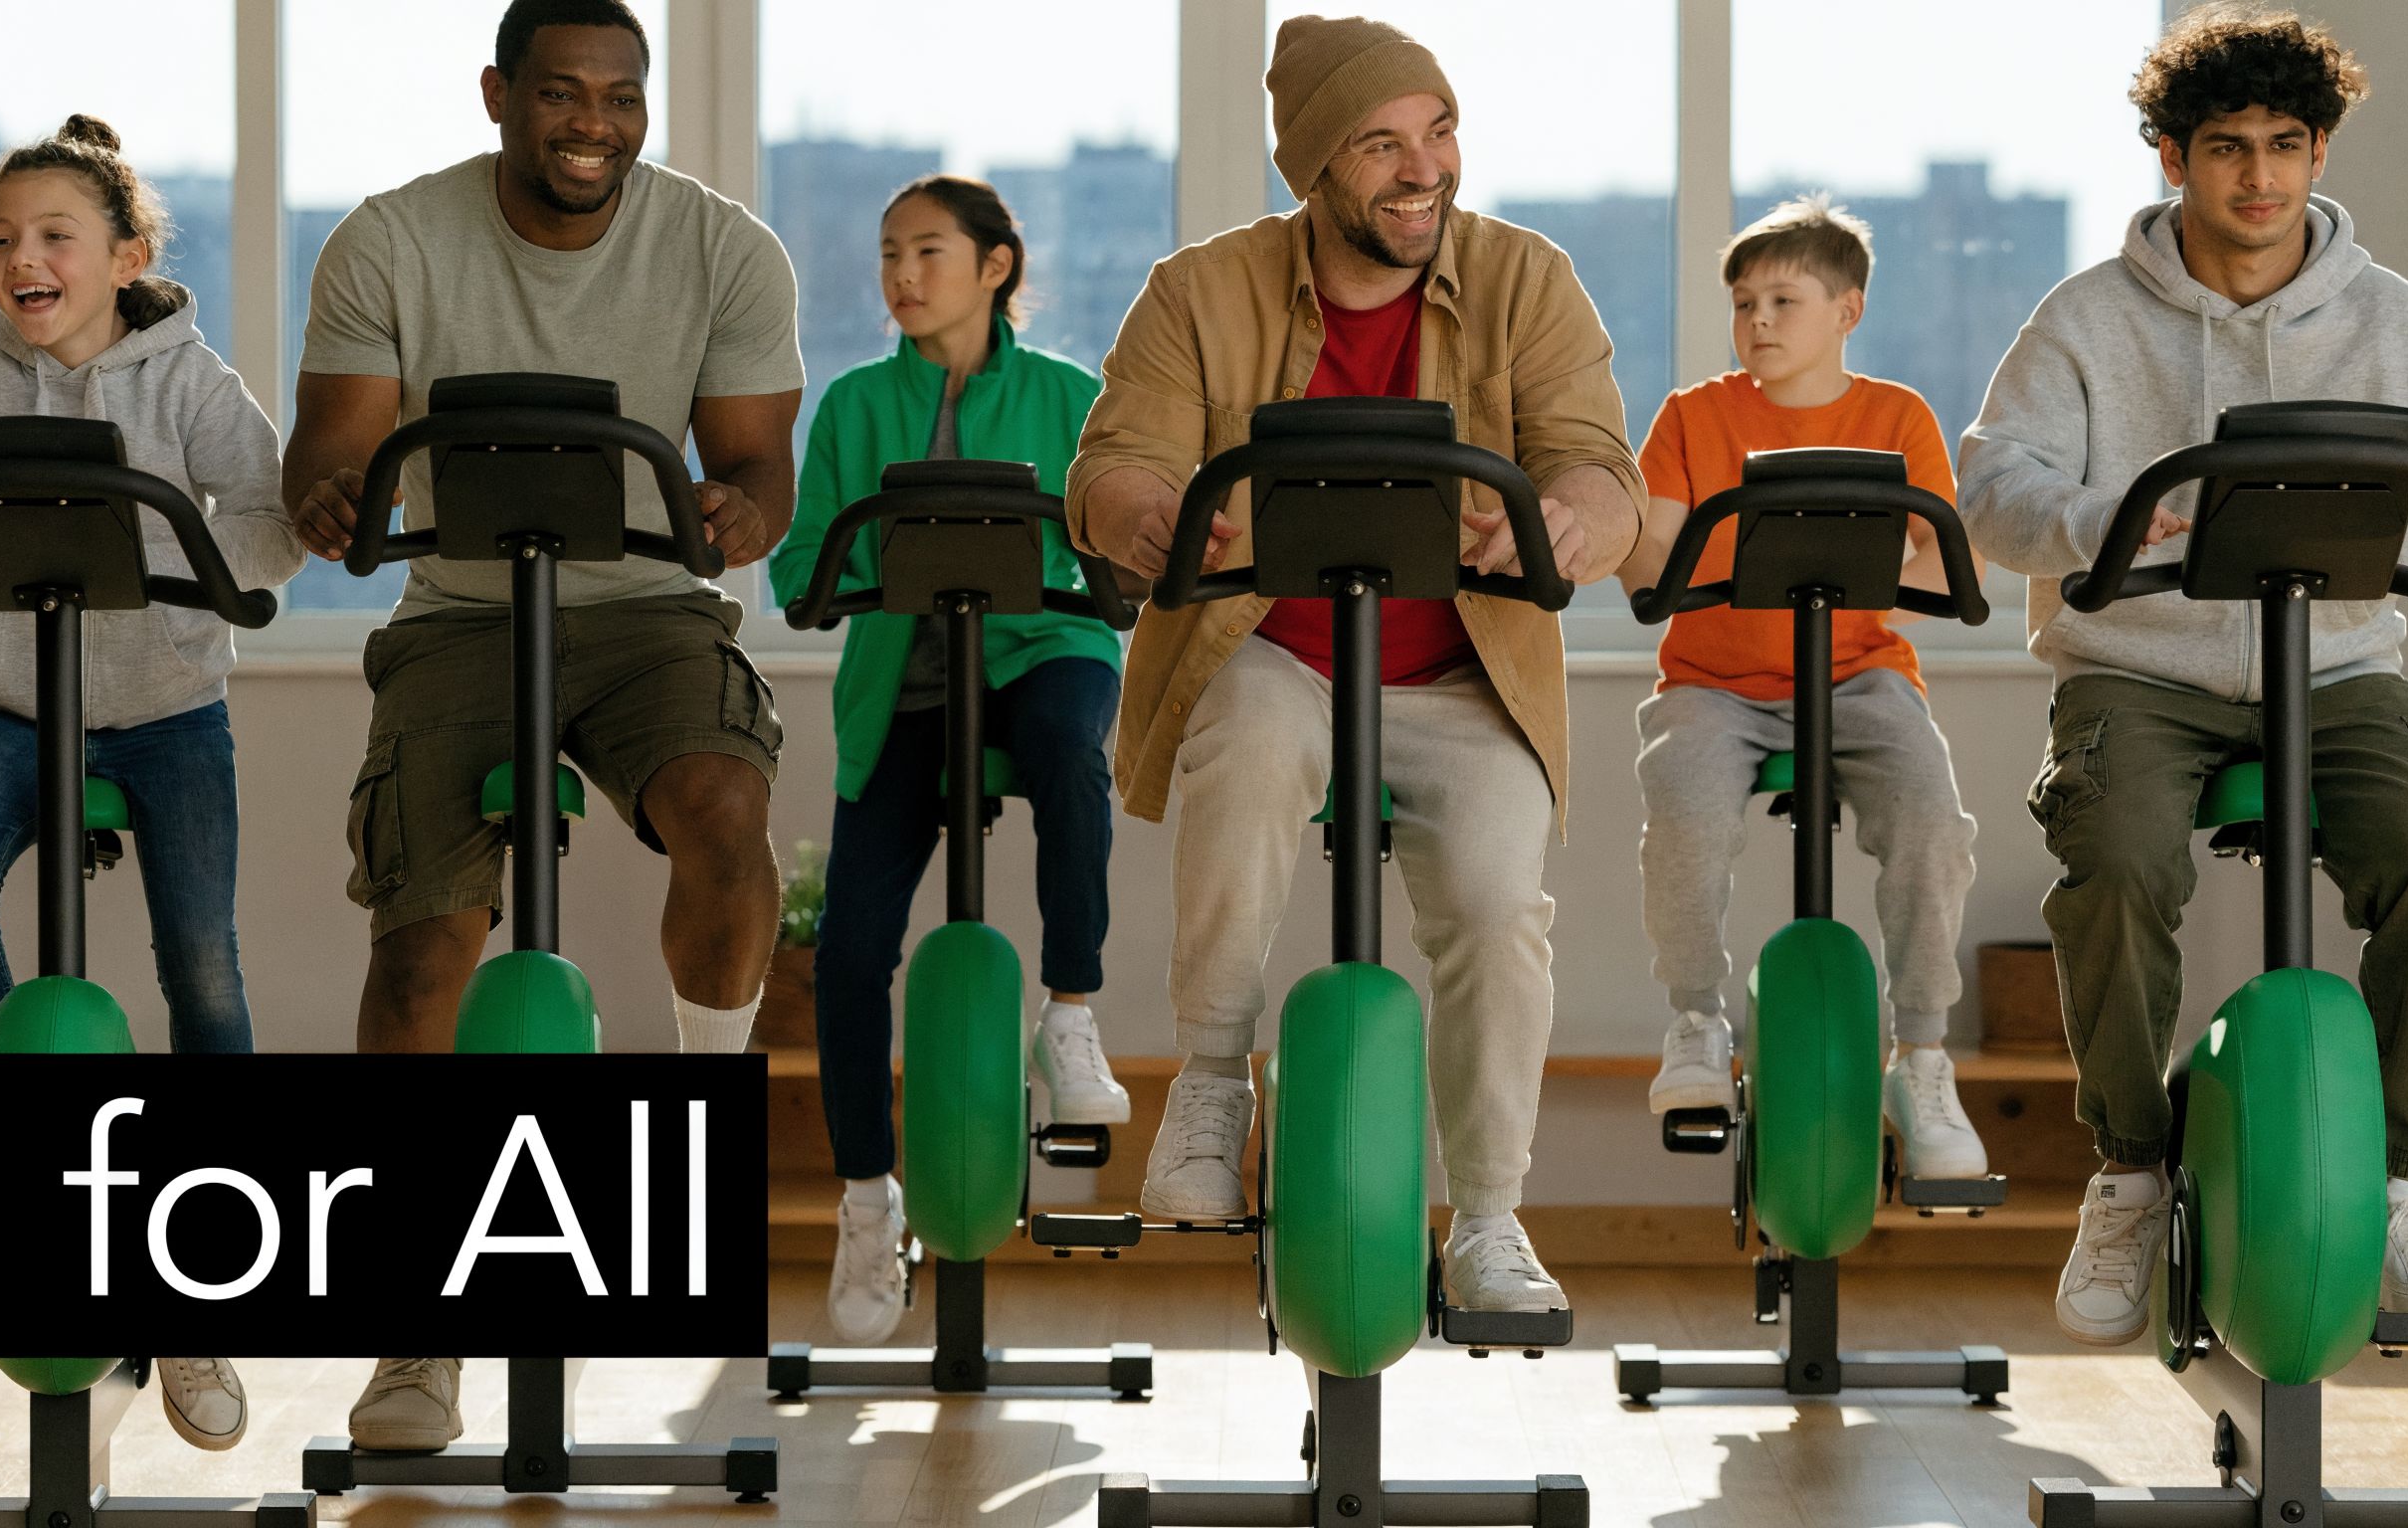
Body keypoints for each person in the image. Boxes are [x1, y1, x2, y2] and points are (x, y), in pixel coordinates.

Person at [282, 0, 803, 1449]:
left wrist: (740, 510)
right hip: (459, 610)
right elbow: (334, 445)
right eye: (563, 94)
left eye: (621, 97)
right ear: (499, 94)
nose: (595, 125)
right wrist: (333, 495)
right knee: (420, 951)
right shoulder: (392, 238)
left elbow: (760, 469)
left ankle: (701, 1132)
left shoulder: (724, 247)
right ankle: (415, 1332)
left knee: (724, 810)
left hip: (646, 610)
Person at [1067, 14, 1643, 1313]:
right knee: (1252, 747)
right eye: (1382, 144)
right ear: (1315, 166)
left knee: (1498, 903)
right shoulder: (1199, 291)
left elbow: (1600, 466)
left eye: (1438, 132)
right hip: (1271, 647)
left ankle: (1488, 1217)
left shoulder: (1527, 278)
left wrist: (1569, 520)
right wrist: (1147, 513)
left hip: (1462, 672)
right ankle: (1211, 1083)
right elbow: (1114, 464)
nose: (1423, 168)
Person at [1956, 3, 2408, 1344]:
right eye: (2227, 146)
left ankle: (2398, 1181)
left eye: (2285, 144)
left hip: (2340, 666)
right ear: (2173, 156)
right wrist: (2116, 519)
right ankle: (2132, 1170)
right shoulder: (2084, 319)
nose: (2259, 175)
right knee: (2120, 858)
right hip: (2142, 669)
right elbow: (1995, 493)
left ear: (2320, 153)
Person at [0, 113, 302, 1448]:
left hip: (168, 712)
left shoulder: (187, 378)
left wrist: (186, 574)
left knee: (202, 966)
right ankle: (41, 1155)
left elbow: (269, 520)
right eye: (1, 239)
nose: (21, 260)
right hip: (19, 708)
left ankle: (199, 1282)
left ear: (125, 256)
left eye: (53, 235)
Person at [768, 175, 1130, 1345]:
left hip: (1042, 653)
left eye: (928, 251)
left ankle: (1070, 1013)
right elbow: (799, 567)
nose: (902, 275)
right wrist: (879, 563)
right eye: (889, 254)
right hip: (909, 684)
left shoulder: (1071, 397)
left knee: (1070, 750)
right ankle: (867, 1201)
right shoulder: (855, 405)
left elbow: (1114, 553)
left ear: (995, 266)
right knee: (849, 957)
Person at [1624, 195, 1987, 1180]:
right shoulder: (1694, 415)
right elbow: (1654, 553)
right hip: (1713, 683)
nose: (1759, 321)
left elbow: (1945, 562)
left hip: (1860, 674)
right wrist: (1633, 541)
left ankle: (1922, 1055)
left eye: (1783, 300)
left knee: (1933, 820)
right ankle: (1696, 1022)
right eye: (1744, 303)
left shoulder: (1896, 416)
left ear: (1847, 310)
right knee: (1684, 811)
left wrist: (1859, 574)